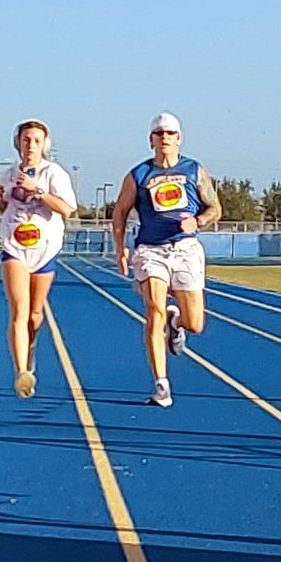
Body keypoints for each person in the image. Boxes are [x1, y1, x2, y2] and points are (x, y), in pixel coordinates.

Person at [111, 112, 222, 407]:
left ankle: (178, 322)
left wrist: (197, 222)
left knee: (196, 324)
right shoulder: (138, 175)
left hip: (185, 248)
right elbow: (120, 212)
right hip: (151, 249)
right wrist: (120, 248)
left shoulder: (194, 170)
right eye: (159, 133)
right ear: (151, 140)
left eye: (170, 133)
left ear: (179, 138)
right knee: (154, 310)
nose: (164, 138)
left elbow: (215, 209)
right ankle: (161, 384)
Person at [0, 119, 77, 398]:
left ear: (45, 145)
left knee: (34, 314)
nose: (30, 145)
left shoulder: (54, 173)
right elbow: (7, 207)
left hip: (45, 248)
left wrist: (38, 189)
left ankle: (29, 348)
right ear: (17, 142)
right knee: (18, 309)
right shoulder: (7, 174)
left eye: (36, 140)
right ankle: (21, 373)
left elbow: (67, 209)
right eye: (26, 139)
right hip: (14, 247)